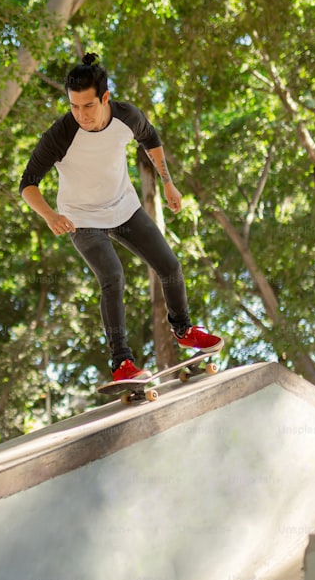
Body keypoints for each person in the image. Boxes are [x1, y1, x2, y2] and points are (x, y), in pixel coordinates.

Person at [19, 53, 223, 382]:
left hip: (124, 208)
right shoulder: (60, 134)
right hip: (81, 218)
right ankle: (121, 363)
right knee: (113, 277)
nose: (80, 115)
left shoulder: (127, 116)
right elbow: (27, 184)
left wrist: (167, 182)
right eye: (73, 106)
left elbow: (151, 140)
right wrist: (49, 215)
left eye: (88, 106)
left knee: (169, 265)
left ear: (105, 98)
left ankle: (183, 330)